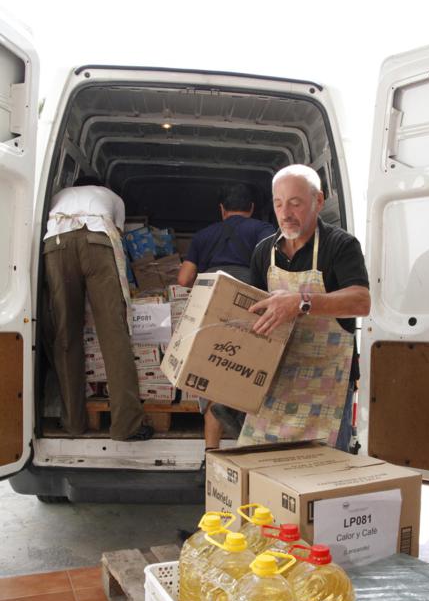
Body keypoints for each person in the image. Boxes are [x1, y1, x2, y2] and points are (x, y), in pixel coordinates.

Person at [213, 164, 370, 451]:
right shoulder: (264, 252)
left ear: (318, 201)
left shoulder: (340, 246)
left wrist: (302, 302)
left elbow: (361, 301)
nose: (285, 213)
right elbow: (256, 317)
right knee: (265, 472)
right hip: (276, 384)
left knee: (323, 481)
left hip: (327, 388)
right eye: (278, 203)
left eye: (295, 203)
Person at [43, 176, 153, 441]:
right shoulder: (112, 197)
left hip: (57, 244)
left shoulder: (58, 196)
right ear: (102, 185)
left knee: (65, 336)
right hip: (97, 242)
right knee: (114, 333)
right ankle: (126, 425)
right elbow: (117, 235)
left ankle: (73, 423)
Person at [177, 184, 274, 471]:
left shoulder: (204, 235)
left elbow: (184, 279)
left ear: (222, 209)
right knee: (246, 379)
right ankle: (250, 458)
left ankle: (210, 457)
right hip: (251, 307)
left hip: (211, 305)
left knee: (212, 381)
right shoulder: (264, 230)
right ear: (252, 208)